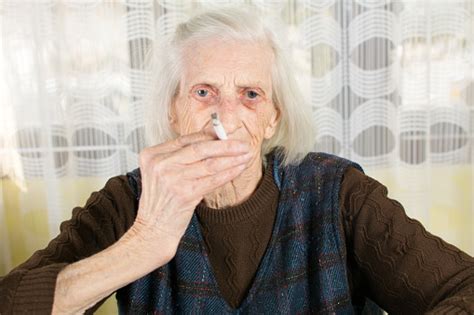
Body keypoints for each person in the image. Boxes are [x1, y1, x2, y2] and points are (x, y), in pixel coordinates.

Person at [1, 7, 473, 315]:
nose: (224, 116)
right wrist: (143, 244)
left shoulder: (339, 193)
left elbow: (463, 288)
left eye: (250, 94)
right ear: (173, 110)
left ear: (273, 118)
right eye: (203, 91)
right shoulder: (129, 201)